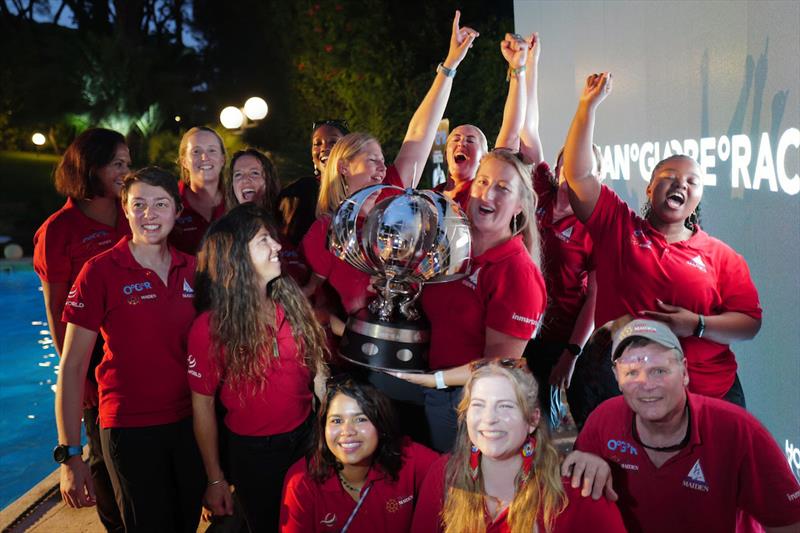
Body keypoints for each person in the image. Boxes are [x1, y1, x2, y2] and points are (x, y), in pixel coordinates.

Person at [562, 72, 762, 406]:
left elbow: (749, 323)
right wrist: (588, 106)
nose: (680, 185)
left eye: (691, 182)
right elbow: (578, 175)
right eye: (668, 177)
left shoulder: (721, 256)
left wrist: (697, 325)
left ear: (699, 197)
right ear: (651, 188)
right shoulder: (619, 228)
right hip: (631, 395)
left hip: (709, 395)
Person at [300, 9, 479, 328]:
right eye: (372, 160)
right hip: (360, 355)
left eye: (383, 160)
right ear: (343, 166)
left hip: (420, 341)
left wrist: (450, 66)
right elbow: (310, 300)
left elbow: (421, 131)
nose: (382, 168)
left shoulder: (394, 193)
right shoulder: (325, 232)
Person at [56, 168, 204, 532]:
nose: (149, 215)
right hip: (130, 427)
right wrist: (70, 455)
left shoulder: (195, 270)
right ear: (125, 209)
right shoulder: (100, 272)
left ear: (177, 210)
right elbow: (72, 368)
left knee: (184, 524)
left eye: (160, 204)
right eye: (139, 204)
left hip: (190, 423)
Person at [568, 318, 800, 533]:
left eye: (659, 371)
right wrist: (585, 462)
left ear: (685, 372)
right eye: (631, 372)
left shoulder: (739, 431)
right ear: (616, 378)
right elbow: (573, 498)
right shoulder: (603, 421)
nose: (646, 385)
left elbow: (789, 523)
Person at [188, 203, 329, 532]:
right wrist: (214, 479)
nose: (278, 246)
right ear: (237, 257)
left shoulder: (289, 300)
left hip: (307, 440)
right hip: (254, 455)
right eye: (264, 240)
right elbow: (202, 405)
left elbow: (315, 366)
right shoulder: (209, 328)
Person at [394, 149, 547, 452]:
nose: (487, 192)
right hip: (431, 388)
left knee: (460, 491)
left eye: (502, 188)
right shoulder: (452, 249)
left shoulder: (518, 272)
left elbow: (499, 366)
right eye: (482, 181)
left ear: (519, 206)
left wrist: (435, 381)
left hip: (468, 403)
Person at [34, 127, 129, 532]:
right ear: (92, 168)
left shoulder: (133, 210)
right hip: (91, 353)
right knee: (104, 454)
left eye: (128, 162)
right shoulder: (59, 229)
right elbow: (57, 310)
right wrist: (77, 373)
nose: (127, 171)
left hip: (138, 342)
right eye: (117, 164)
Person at [411, 358, 626, 532]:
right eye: (478, 405)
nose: (489, 419)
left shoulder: (576, 489)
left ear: (532, 420)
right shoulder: (445, 473)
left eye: (505, 406)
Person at [280, 376, 439, 532]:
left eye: (360, 419)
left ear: (381, 424)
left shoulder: (407, 457)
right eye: (336, 421)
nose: (347, 431)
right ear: (323, 428)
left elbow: (453, 470)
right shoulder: (301, 482)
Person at [434, 32, 530, 210]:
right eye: (455, 139)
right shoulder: (430, 199)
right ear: (447, 154)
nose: (462, 142)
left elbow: (511, 130)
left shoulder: (484, 194)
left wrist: (518, 70)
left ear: (485, 158)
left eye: (471, 140)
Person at [278, 119, 350, 247]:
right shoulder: (299, 192)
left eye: (333, 142)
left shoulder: (366, 189)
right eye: (317, 143)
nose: (324, 148)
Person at [170, 126, 227, 254]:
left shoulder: (236, 201)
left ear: (222, 160)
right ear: (184, 161)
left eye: (212, 150)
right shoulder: (168, 202)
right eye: (196, 151)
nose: (204, 157)